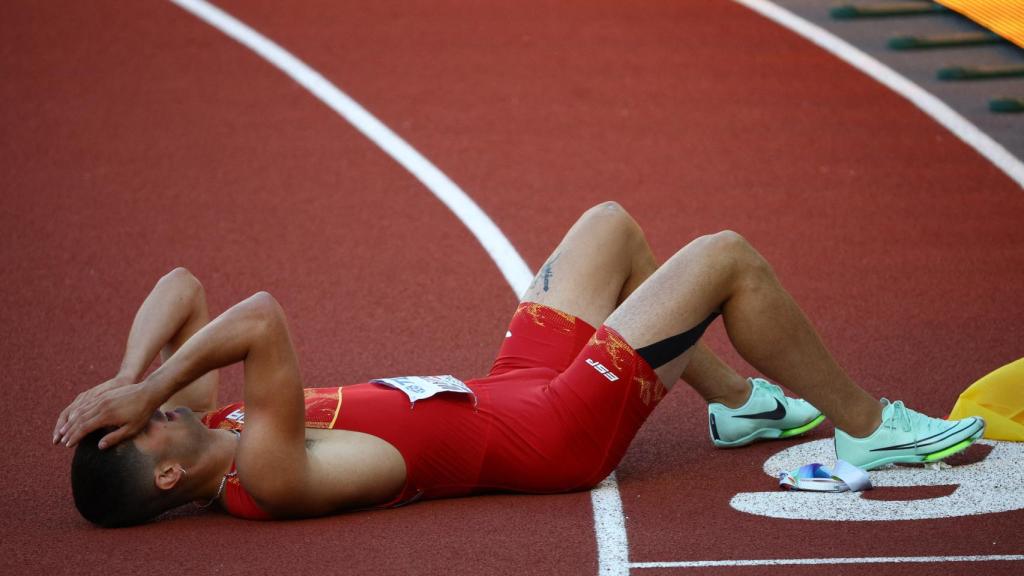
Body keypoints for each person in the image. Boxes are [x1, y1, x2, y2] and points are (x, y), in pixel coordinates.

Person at [54, 202, 984, 527]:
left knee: (608, 226)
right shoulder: (261, 471)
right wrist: (142, 390)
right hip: (552, 438)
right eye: (146, 426)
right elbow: (258, 319)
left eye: (142, 409)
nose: (157, 406)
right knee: (726, 257)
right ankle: (873, 430)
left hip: (505, 390)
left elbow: (181, 286)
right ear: (166, 473)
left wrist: (127, 374)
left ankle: (738, 404)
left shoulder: (209, 431)